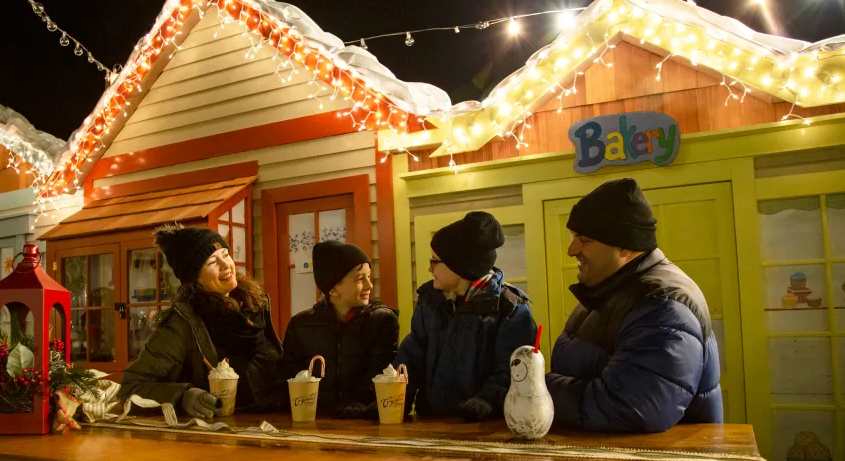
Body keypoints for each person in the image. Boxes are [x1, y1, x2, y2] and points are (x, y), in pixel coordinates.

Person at [121, 223, 283, 461]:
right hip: (221, 454)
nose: (226, 265)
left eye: (225, 253)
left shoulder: (255, 303)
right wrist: (184, 395)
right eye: (213, 260)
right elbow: (132, 385)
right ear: (193, 276)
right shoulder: (181, 324)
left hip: (273, 444)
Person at [545, 178, 723, 433]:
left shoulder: (662, 305)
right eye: (573, 237)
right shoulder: (608, 292)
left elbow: (630, 406)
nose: (571, 250)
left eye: (584, 240)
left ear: (625, 246)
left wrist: (537, 388)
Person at [395, 211, 537, 421]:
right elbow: (411, 359)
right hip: (431, 425)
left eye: (435, 261)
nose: (429, 268)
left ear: (460, 267)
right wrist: (393, 401)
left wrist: (485, 401)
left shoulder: (509, 308)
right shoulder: (430, 301)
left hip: (488, 430)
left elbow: (512, 370)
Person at [280, 240, 399, 419]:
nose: (369, 285)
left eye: (369, 276)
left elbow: (380, 373)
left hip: (367, 422)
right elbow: (288, 377)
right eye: (360, 279)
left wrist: (354, 403)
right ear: (334, 289)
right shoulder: (300, 325)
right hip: (312, 423)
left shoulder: (382, 321)